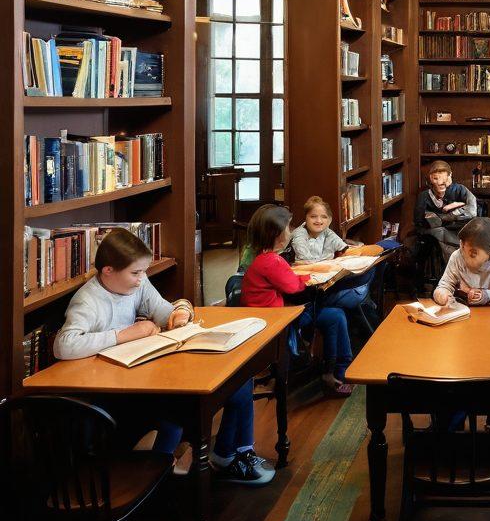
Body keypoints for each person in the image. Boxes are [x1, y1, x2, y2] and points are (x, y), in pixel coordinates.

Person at [54, 228, 274, 485]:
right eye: (135, 273)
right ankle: (164, 473)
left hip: (140, 375)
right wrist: (124, 334)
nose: (141, 279)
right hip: (113, 391)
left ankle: (233, 453)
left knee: (240, 381)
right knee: (181, 411)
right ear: (108, 271)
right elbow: (64, 345)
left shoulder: (136, 284)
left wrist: (178, 314)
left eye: (143, 272)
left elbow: (161, 310)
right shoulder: (88, 300)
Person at [240, 204, 357, 398]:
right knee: (335, 316)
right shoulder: (272, 261)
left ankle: (337, 369)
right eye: (288, 228)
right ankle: (336, 372)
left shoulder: (264, 257)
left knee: (334, 315)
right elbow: (293, 286)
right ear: (277, 234)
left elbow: (287, 280)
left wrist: (302, 276)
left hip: (271, 315)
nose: (291, 231)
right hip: (278, 320)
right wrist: (310, 277)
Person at [290, 194, 384, 311]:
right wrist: (332, 266)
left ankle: (364, 301)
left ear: (329, 220)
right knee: (359, 286)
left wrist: (360, 253)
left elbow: (344, 248)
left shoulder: (327, 232)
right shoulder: (300, 234)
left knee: (371, 268)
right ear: (306, 218)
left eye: (324, 217)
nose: (319, 221)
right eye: (313, 216)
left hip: (328, 276)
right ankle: (363, 301)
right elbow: (306, 261)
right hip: (309, 280)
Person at [433, 217, 490, 307]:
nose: (464, 256)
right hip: (466, 313)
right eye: (462, 247)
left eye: (473, 254)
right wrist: (443, 295)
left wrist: (486, 295)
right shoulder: (457, 257)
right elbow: (444, 286)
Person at [413, 160, 478, 270]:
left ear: (450, 176)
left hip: (459, 232)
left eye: (443, 179)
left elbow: (472, 210)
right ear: (430, 179)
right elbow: (418, 221)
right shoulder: (424, 196)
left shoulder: (460, 190)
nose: (440, 183)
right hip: (435, 236)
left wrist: (451, 213)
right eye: (435, 179)